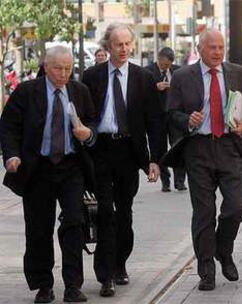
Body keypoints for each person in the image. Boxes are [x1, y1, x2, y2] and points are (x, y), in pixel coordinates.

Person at [0, 45, 96, 303]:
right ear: (45, 66)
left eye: (68, 69)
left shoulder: (80, 91)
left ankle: (73, 286)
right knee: (39, 229)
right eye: (57, 68)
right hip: (37, 168)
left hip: (70, 167)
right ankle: (43, 285)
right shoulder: (27, 92)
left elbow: (93, 124)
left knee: (74, 223)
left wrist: (88, 134)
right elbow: (8, 126)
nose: (63, 74)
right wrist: (11, 155)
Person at [168, 28, 242, 291]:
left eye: (221, 47)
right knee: (204, 213)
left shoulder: (236, 72)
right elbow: (171, 112)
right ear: (200, 48)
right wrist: (187, 120)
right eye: (212, 48)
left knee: (236, 206)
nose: (217, 52)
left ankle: (223, 250)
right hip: (199, 149)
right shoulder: (183, 76)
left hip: (229, 147)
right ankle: (206, 268)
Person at [82, 23, 163, 297]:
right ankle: (105, 275)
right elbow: (82, 115)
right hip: (100, 151)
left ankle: (120, 264)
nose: (125, 49)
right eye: (119, 44)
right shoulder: (92, 76)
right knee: (105, 212)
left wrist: (155, 160)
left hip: (129, 153)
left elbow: (155, 121)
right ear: (108, 46)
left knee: (124, 213)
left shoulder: (143, 78)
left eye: (128, 44)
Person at [146, 47, 187, 192]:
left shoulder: (178, 71)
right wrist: (155, 87)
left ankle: (180, 181)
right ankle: (165, 181)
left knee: (178, 146)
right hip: (158, 116)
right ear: (159, 58)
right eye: (164, 65)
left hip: (175, 115)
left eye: (169, 65)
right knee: (160, 149)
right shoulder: (148, 72)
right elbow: (141, 92)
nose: (167, 67)